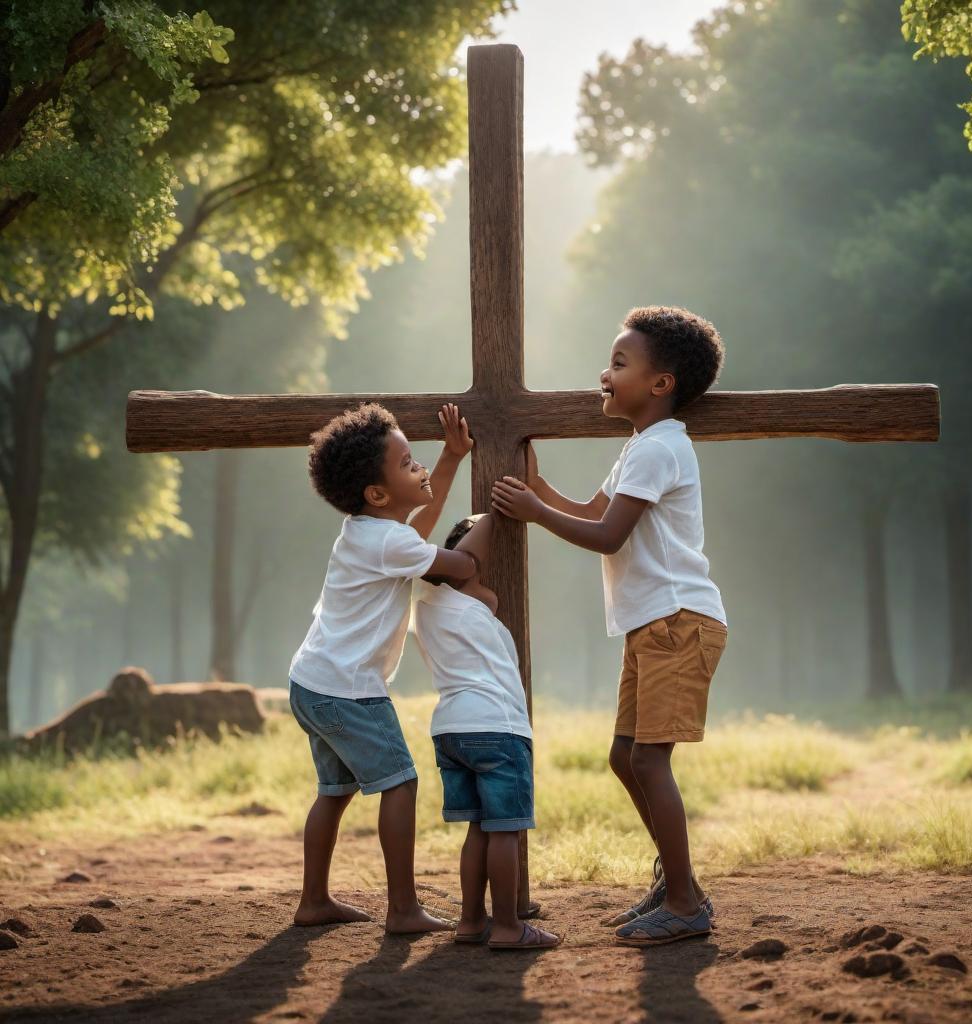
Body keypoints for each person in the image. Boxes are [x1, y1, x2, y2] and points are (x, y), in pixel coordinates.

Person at [491, 306, 728, 947]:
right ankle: (676, 883)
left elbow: (606, 534)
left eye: (620, 364)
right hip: (651, 623)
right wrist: (538, 487)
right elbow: (594, 508)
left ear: (661, 384)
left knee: (649, 760)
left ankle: (684, 903)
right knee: (626, 758)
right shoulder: (640, 447)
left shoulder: (661, 446)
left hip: (678, 621)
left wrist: (536, 511)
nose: (605, 373)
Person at [288, 401, 477, 932]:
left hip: (312, 682)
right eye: (408, 463)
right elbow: (457, 564)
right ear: (377, 493)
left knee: (334, 791)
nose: (419, 470)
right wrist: (489, 529)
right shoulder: (388, 542)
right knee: (400, 784)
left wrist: (451, 457)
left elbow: (415, 532)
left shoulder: (367, 532)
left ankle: (314, 900)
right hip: (349, 691)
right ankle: (402, 909)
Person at [414, 512, 560, 950]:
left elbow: (473, 577)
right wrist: (499, 506)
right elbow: (476, 559)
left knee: (477, 828)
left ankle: (470, 921)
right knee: (504, 829)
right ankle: (509, 926)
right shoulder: (465, 601)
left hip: (450, 729)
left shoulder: (424, 603)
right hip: (497, 727)